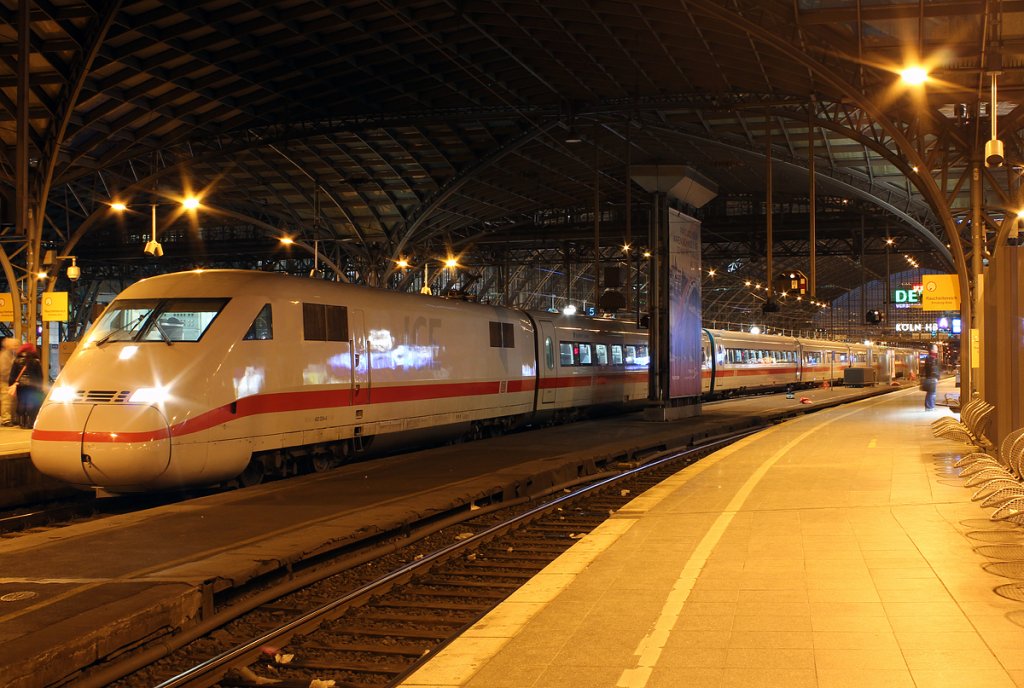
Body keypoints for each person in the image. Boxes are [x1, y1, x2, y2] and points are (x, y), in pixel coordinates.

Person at [8, 342, 43, 428]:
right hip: (33, 386)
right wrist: (40, 386)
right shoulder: (36, 361)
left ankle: (21, 422)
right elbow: (40, 375)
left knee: (21, 403)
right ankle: (30, 423)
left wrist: (11, 384)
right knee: (31, 403)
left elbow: (13, 374)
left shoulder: (17, 360)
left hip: (20, 385)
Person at [0, 337, 16, 426]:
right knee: (6, 401)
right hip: (5, 381)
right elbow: (4, 370)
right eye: (14, 344)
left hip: (9, 381)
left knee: (11, 401)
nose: (16, 346)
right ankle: (6, 419)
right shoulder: (5, 355)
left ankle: (10, 418)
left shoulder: (11, 354)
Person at [922, 345, 941, 410]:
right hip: (931, 377)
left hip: (932, 377)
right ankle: (929, 407)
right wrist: (935, 376)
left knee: (932, 392)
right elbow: (933, 368)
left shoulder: (932, 357)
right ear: (932, 350)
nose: (937, 350)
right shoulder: (931, 358)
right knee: (931, 393)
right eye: (936, 348)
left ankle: (931, 406)